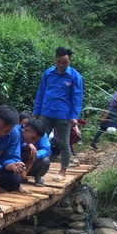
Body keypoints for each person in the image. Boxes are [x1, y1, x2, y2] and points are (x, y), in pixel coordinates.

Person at [33, 47, 83, 179]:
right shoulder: (48, 73)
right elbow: (41, 93)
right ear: (56, 59)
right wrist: (36, 111)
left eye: (65, 62)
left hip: (64, 116)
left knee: (64, 143)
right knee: (39, 139)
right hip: (46, 113)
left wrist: (74, 116)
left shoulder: (74, 76)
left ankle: (63, 171)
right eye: (59, 61)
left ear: (69, 61)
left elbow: (77, 98)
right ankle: (37, 169)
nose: (61, 65)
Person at [18, 113, 51, 187]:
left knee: (45, 161)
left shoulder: (42, 134)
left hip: (32, 162)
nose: (34, 141)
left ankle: (38, 177)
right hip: (16, 161)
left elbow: (46, 149)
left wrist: (34, 154)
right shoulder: (15, 132)